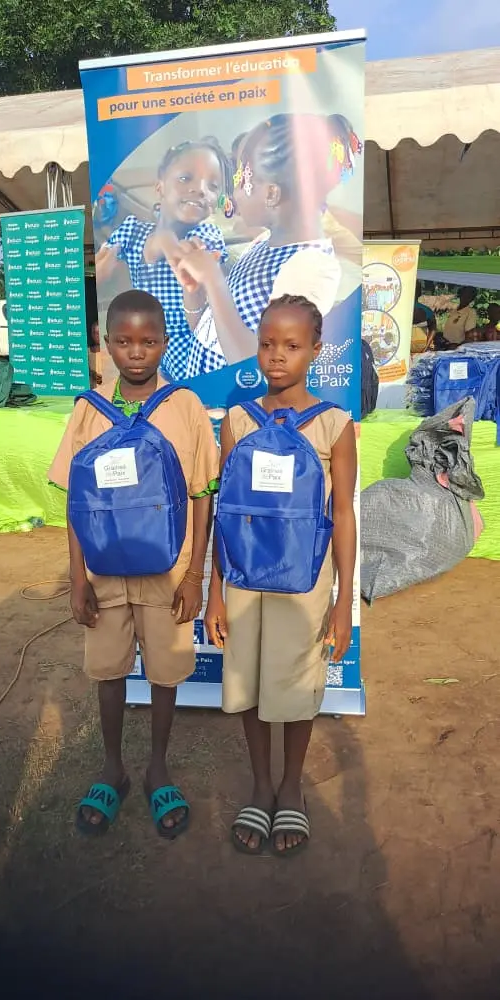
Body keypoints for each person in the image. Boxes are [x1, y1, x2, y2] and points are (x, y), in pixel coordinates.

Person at [48, 290, 219, 838]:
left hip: (168, 574)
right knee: (108, 671)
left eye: (148, 341)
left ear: (165, 343)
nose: (136, 352)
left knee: (166, 673)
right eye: (123, 341)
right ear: (105, 345)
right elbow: (76, 501)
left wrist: (195, 575)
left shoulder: (186, 406)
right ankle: (113, 769)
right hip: (104, 575)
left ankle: (157, 769)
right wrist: (77, 579)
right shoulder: (86, 410)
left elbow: (202, 492)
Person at [205, 295, 357, 857]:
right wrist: (214, 592)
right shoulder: (238, 421)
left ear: (316, 351)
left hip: (305, 583)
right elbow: (224, 509)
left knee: (293, 684)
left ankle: (291, 788)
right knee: (246, 682)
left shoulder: (335, 426)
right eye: (268, 343)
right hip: (244, 577)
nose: (276, 356)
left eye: (292, 346)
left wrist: (341, 602)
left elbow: (342, 514)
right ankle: (261, 784)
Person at [178, 112, 362, 377]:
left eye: (242, 179)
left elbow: (263, 369)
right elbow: (211, 335)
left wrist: (214, 281)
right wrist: (195, 293)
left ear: (272, 193)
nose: (234, 193)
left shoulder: (309, 266)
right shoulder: (264, 242)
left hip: (249, 414)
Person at [94, 139, 231, 380]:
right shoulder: (133, 229)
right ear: (159, 187)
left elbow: (200, 321)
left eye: (213, 185)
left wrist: (166, 242)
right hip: (152, 352)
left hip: (195, 356)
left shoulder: (206, 237)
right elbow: (106, 265)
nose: (200, 189)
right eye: (185, 178)